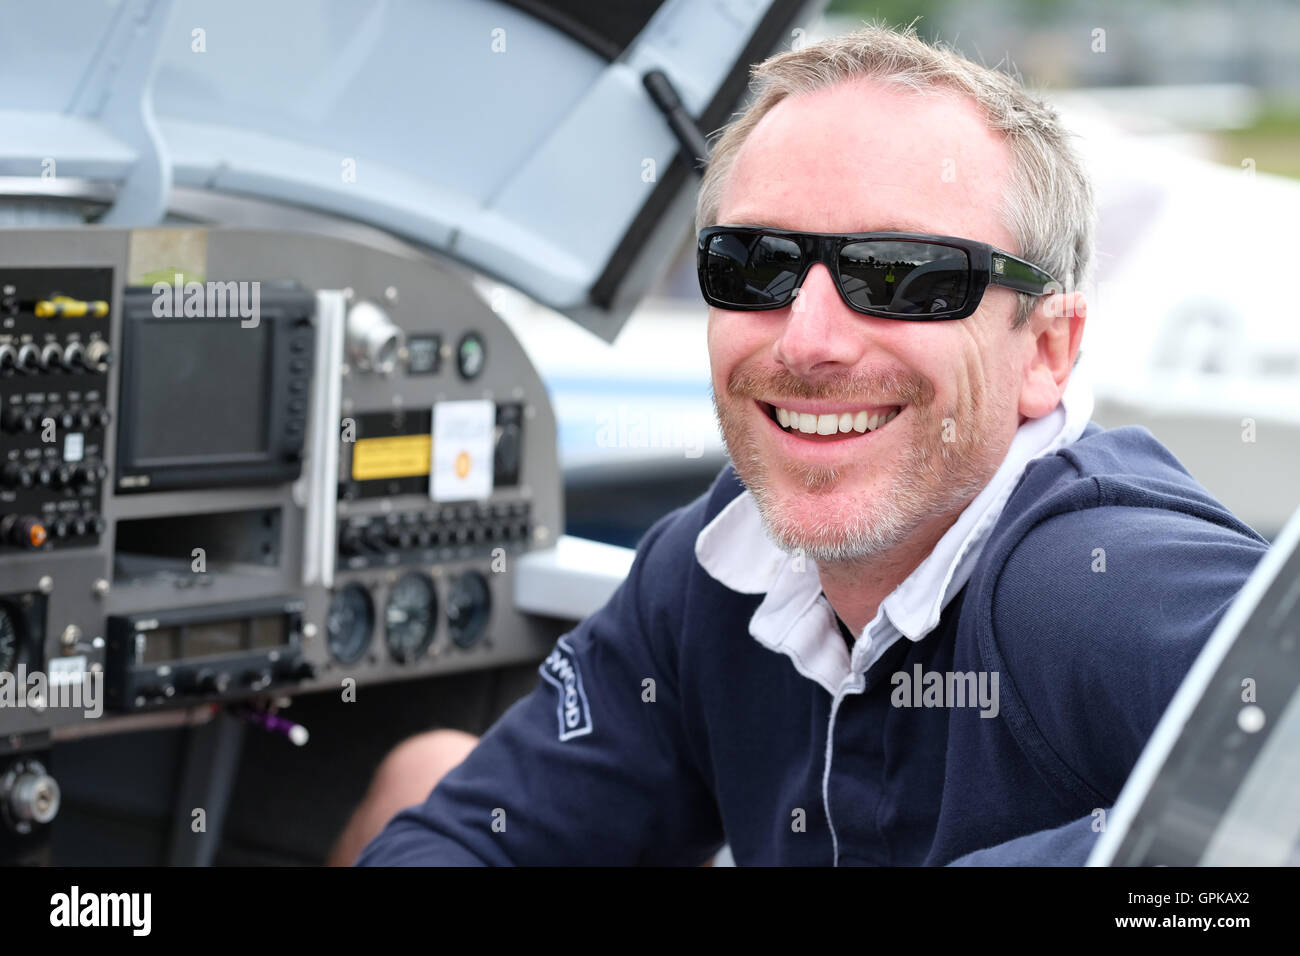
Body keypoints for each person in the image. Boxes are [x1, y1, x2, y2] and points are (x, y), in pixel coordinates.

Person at [345, 24, 1269, 866]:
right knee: (421, 772)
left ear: (1049, 350)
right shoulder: (719, 565)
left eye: (904, 277)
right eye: (756, 265)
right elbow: (474, 836)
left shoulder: (1094, 579)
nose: (807, 339)